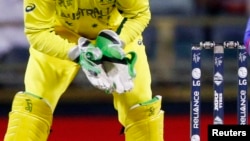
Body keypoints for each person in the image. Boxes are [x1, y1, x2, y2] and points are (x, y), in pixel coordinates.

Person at [4, 0, 164, 141]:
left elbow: (139, 14)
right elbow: (37, 32)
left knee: (140, 107)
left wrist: (118, 43)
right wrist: (76, 53)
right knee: (33, 105)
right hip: (60, 35)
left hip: (115, 34)